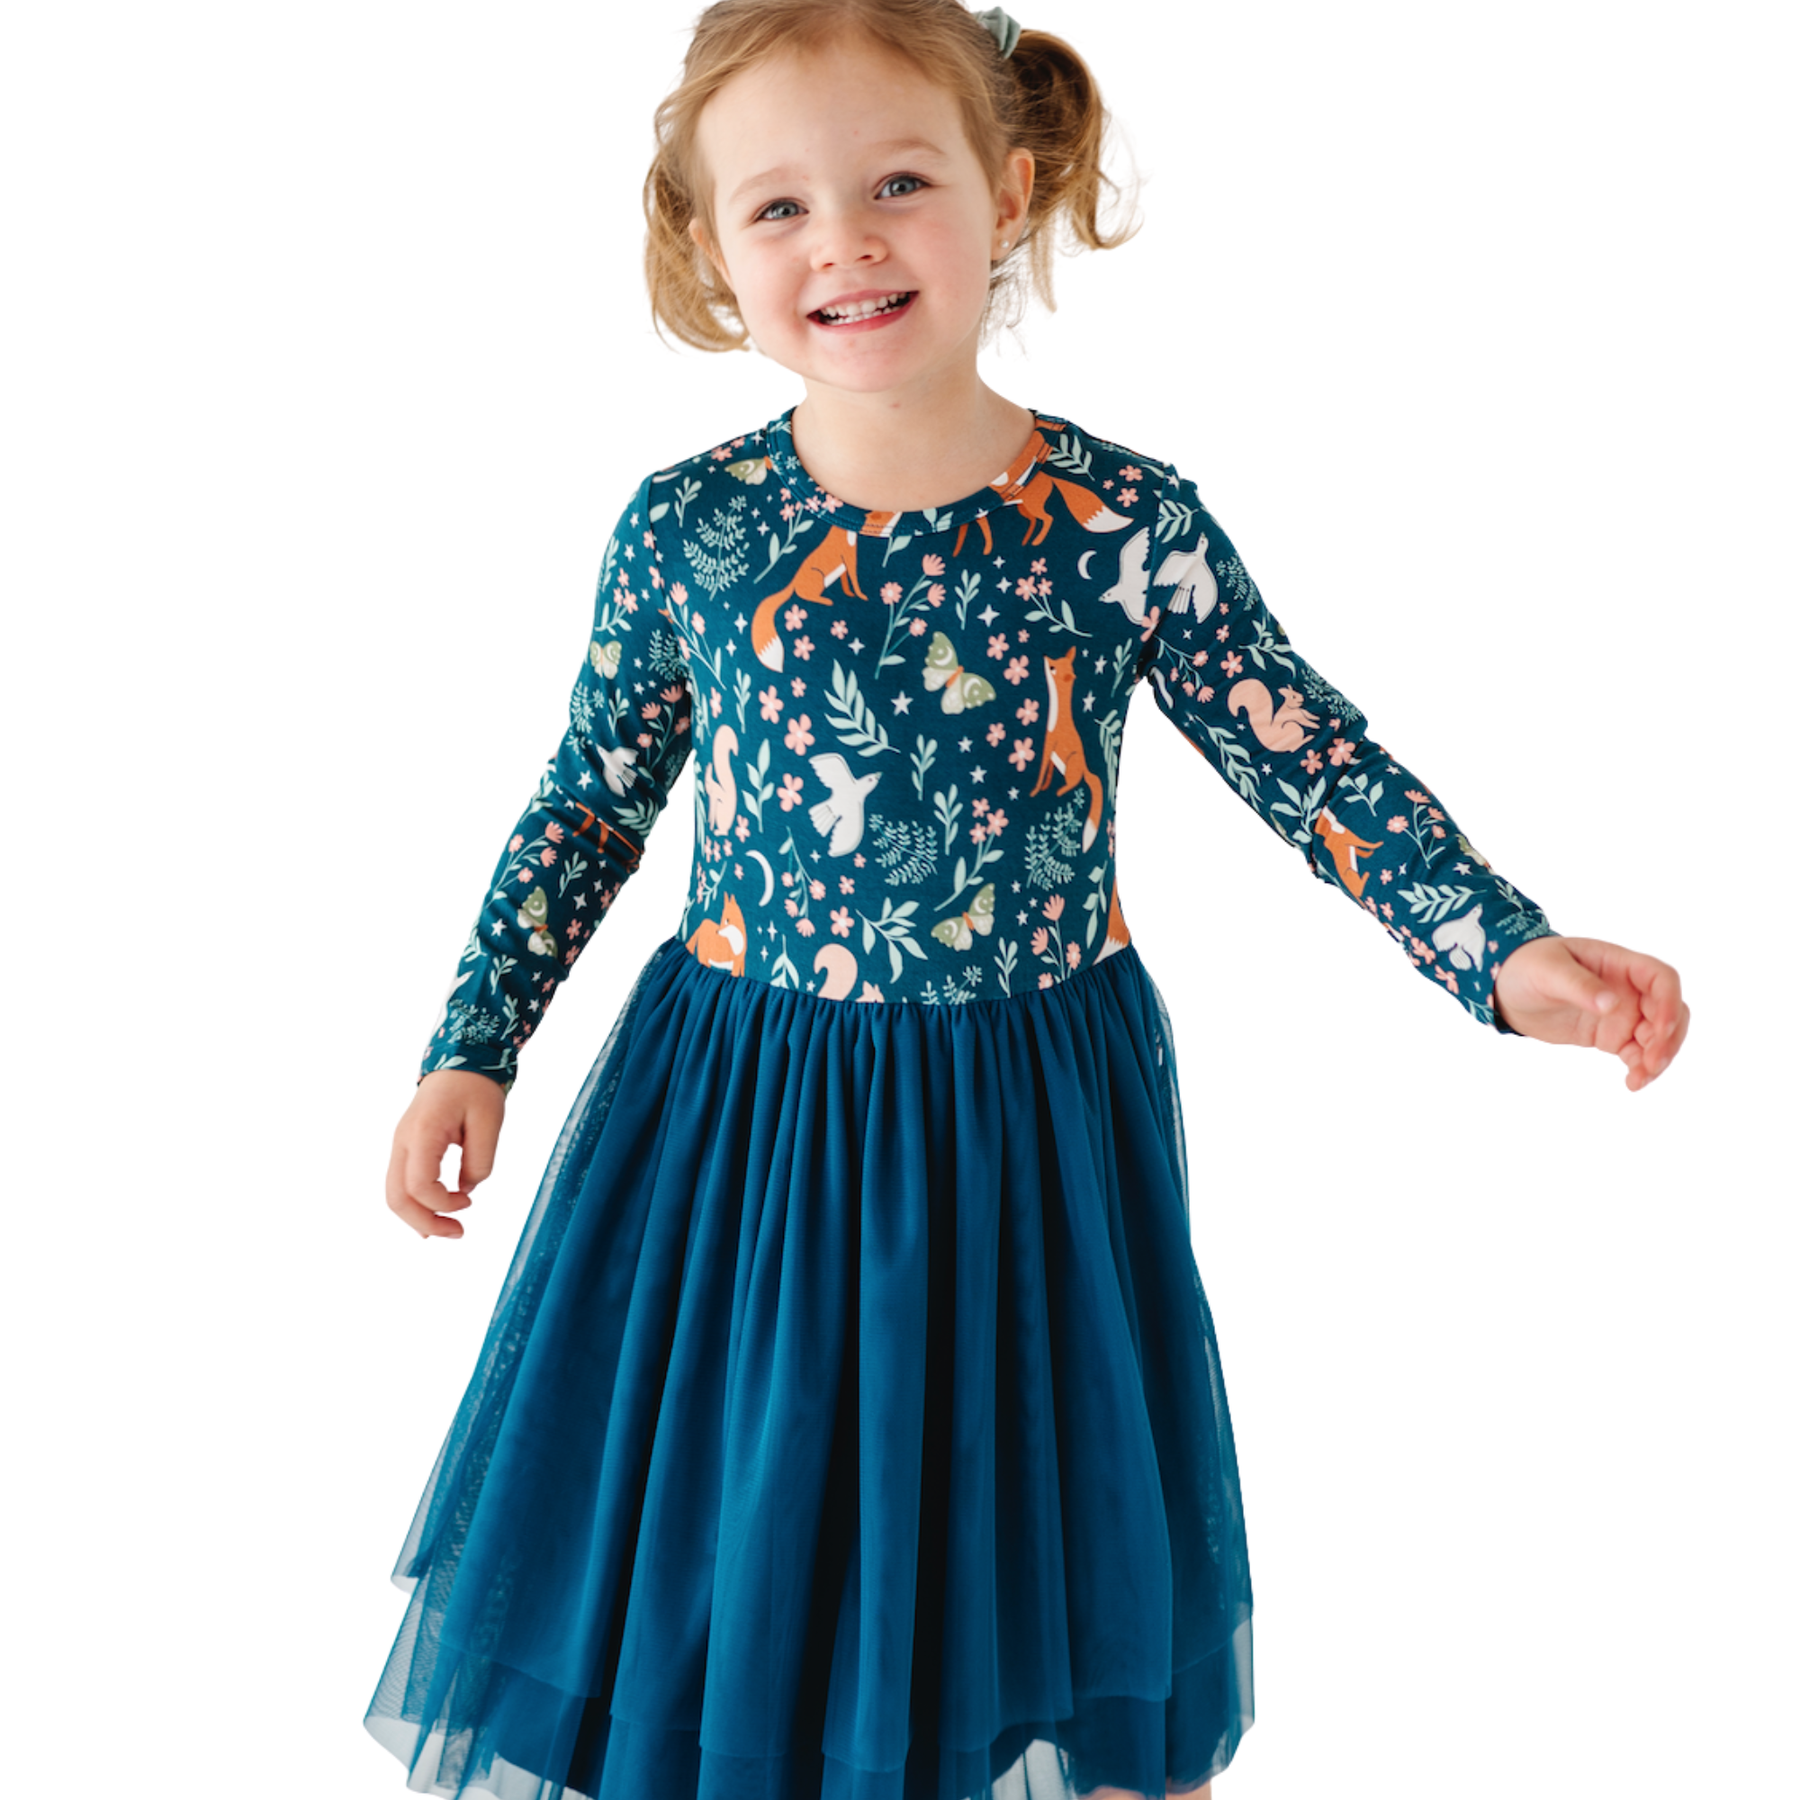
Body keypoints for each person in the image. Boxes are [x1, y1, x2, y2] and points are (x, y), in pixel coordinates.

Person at [367, 4, 1690, 1797]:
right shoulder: (692, 531)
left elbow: (1312, 761)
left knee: (1017, 1520)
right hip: (751, 1123)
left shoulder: (1124, 524)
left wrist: (1505, 955)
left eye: (899, 184)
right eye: (780, 207)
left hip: (1029, 1126)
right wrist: (476, 1043)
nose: (845, 242)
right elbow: (590, 799)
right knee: (743, 1526)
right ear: (708, 246)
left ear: (1008, 189)